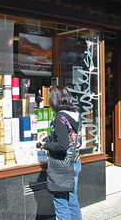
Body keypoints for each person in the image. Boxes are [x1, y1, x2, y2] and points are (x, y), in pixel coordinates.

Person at [40, 86, 82, 220]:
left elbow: (62, 145)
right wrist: (50, 139)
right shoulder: (75, 114)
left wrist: (45, 145)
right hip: (74, 162)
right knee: (72, 200)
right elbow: (70, 138)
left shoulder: (60, 118)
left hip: (62, 166)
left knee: (61, 203)